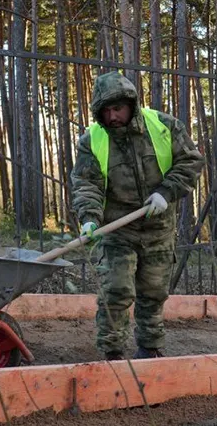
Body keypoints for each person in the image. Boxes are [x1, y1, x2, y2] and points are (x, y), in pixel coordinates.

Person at [71, 72, 205, 360]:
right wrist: (90, 218)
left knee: (154, 292)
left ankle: (150, 350)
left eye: (117, 108)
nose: (113, 116)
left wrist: (166, 192)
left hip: (158, 227)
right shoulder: (92, 140)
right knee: (116, 290)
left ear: (131, 104)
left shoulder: (164, 126)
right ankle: (113, 352)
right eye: (106, 111)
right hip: (116, 229)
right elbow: (87, 183)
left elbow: (191, 161)